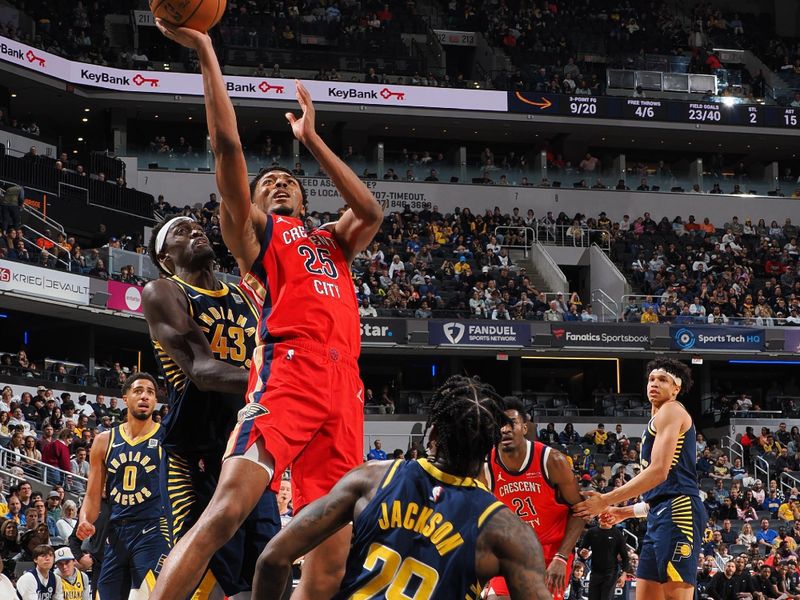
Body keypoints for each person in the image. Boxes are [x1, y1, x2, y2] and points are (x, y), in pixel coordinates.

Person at [151, 18, 382, 600]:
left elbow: (371, 211)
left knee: (329, 559)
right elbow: (228, 148)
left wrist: (312, 141)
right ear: (251, 206)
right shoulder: (258, 237)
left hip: (345, 386)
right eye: (266, 183)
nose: (277, 184)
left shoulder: (334, 240)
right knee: (223, 515)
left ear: (304, 193)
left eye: (287, 180)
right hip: (290, 372)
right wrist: (206, 51)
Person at [251, 375, 553, 599]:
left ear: (432, 432)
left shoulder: (370, 478)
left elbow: (273, 558)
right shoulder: (508, 531)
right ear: (491, 448)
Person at [142, 215, 281, 598]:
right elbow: (202, 371)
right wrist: (282, 380)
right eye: (181, 231)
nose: (196, 231)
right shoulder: (163, 290)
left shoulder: (244, 295)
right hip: (194, 448)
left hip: (246, 441)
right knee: (197, 561)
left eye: (198, 227)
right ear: (165, 257)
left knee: (266, 561)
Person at [576, 358, 704, 600]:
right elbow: (661, 492)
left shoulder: (672, 409)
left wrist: (604, 499)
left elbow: (659, 472)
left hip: (680, 512)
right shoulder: (655, 420)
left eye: (662, 379)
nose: (654, 383)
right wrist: (624, 513)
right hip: (660, 513)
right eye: (651, 379)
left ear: (676, 388)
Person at [76, 372, 170, 599]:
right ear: (125, 398)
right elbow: (93, 493)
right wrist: (85, 519)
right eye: (138, 391)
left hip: (154, 528)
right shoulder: (104, 440)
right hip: (117, 531)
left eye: (150, 392)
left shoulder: (167, 437)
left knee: (150, 594)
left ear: (156, 401)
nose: (145, 396)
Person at [483, 397, 587, 600]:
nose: (505, 429)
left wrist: (562, 557)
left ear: (524, 427)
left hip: (551, 554)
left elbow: (580, 510)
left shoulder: (551, 460)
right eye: (499, 424)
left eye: (511, 423)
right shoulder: (486, 466)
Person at [579, 519, 631, 600]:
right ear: (598, 517)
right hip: (595, 572)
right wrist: (582, 552)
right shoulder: (591, 532)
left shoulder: (617, 533)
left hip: (611, 573)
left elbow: (625, 557)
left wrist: (624, 574)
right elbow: (581, 549)